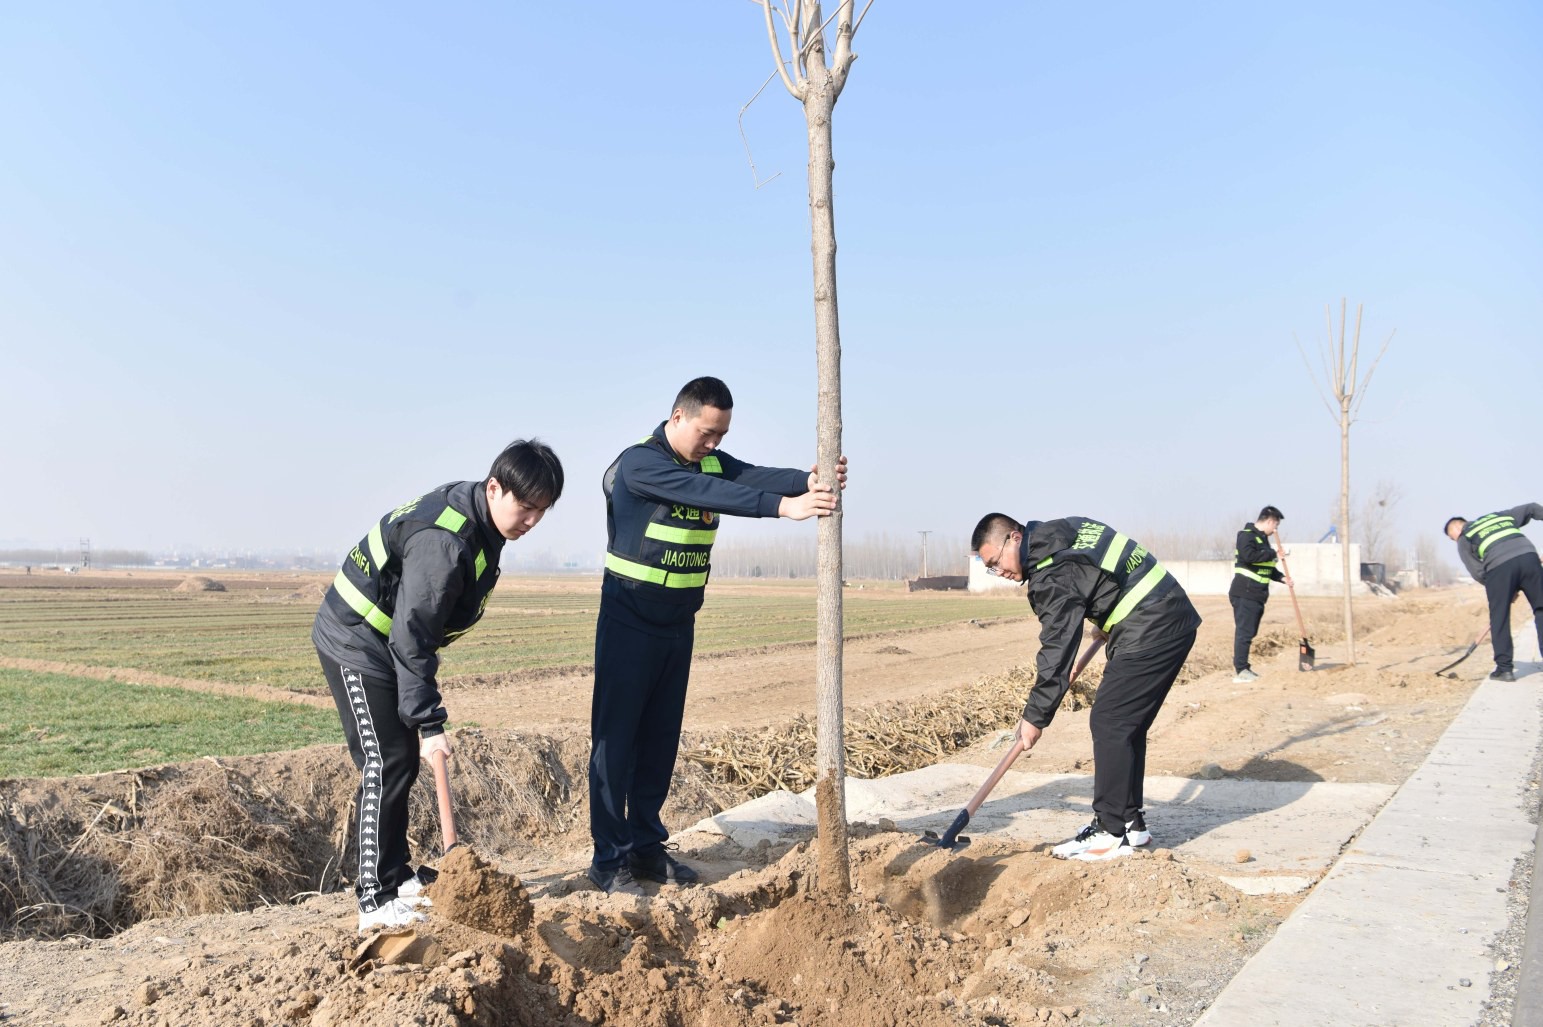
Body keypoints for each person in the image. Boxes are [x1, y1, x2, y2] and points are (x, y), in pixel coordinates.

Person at [589, 376, 846, 893]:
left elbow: (747, 475)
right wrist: (785, 508)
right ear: (677, 417)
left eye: (721, 436)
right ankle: (607, 859)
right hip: (628, 620)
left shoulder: (708, 458)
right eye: (707, 433)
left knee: (659, 740)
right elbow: (713, 493)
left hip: (677, 622)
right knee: (616, 742)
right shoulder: (642, 463)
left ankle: (644, 848)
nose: (714, 445)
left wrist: (808, 479)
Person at [312, 439, 564, 931]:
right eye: (526, 507)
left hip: (388, 640)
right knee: (387, 761)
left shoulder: (479, 518)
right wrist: (431, 723)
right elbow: (413, 639)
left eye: (543, 511)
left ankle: (397, 874)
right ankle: (374, 899)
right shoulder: (445, 544)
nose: (532, 521)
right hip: (356, 638)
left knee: (397, 759)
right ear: (495, 488)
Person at [972, 513, 1201, 861]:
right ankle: (1130, 823)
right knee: (1127, 725)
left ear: (1014, 538)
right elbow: (1103, 568)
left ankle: (1109, 832)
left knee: (1110, 722)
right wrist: (1108, 610)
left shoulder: (1050, 572)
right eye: (990, 568)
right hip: (1166, 610)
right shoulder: (1063, 529)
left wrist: (1035, 717)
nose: (998, 571)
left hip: (1152, 625)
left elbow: (1057, 652)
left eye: (995, 562)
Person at [1444, 504, 1543, 682]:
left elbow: (1477, 572)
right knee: (1541, 608)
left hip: (1499, 567)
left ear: (1457, 528)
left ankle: (1505, 669)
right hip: (1529, 557)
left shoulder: (1465, 537)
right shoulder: (1500, 516)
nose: (1455, 541)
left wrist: (1501, 588)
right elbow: (1532, 508)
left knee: (1500, 617)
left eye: (1452, 538)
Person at [1228, 505, 1292, 684]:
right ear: (1270, 521)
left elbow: (1266, 567)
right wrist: (1274, 553)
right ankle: (1241, 670)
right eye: (1276, 526)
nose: (1275, 530)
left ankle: (1244, 668)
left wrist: (1282, 578)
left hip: (1257, 594)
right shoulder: (1246, 536)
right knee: (1244, 632)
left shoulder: (1263, 540)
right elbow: (1249, 557)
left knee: (1250, 631)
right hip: (1245, 592)